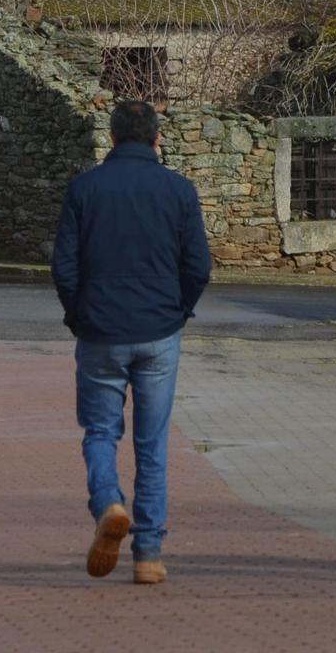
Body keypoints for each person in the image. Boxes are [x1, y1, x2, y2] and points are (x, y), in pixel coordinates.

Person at [51, 100, 211, 585]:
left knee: (100, 432)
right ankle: (148, 555)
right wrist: (178, 310)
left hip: (101, 332)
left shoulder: (84, 189)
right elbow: (198, 266)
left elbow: (65, 266)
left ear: (113, 138)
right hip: (159, 333)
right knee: (152, 443)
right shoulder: (179, 191)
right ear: (157, 139)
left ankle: (108, 504)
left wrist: (79, 315)